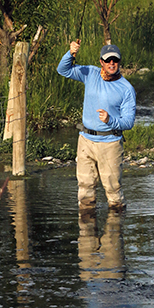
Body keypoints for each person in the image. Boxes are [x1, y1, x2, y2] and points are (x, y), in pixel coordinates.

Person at [57, 41, 136, 212]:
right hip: (85, 141)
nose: (111, 64)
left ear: (119, 62)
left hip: (111, 143)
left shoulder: (127, 89)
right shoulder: (90, 74)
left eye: (115, 60)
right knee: (85, 191)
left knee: (113, 192)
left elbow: (128, 122)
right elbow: (63, 70)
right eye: (108, 60)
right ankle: (86, 234)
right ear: (101, 62)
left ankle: (115, 230)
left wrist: (110, 120)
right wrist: (70, 53)